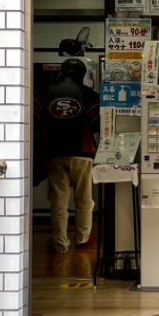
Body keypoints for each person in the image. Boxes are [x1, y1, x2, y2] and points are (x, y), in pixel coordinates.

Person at [40, 58, 100, 254]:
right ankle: (82, 238)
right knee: (84, 199)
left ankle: (60, 242)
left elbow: (35, 119)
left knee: (59, 200)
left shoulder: (46, 92)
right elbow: (97, 123)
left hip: (55, 152)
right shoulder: (89, 94)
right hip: (82, 153)